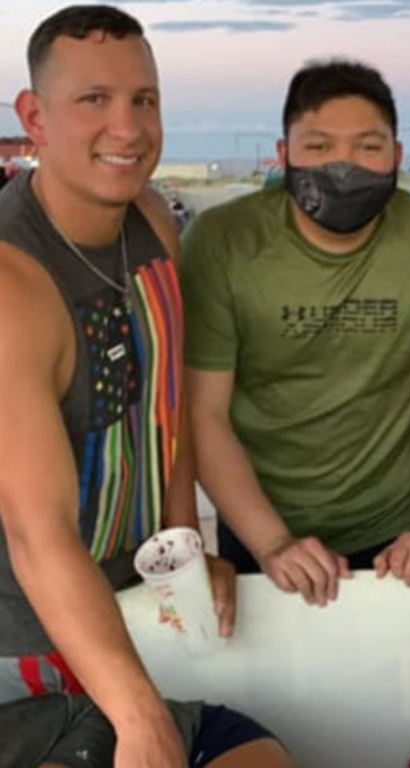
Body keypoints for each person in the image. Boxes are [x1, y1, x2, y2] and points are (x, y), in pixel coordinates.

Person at [0, 5, 291, 768]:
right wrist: (137, 716)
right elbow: (36, 534)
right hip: (32, 644)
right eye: (93, 100)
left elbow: (164, 407)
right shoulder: (13, 282)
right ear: (34, 115)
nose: (128, 127)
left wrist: (186, 554)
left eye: (145, 100)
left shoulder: (153, 222)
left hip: (141, 596)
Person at [181, 59, 410, 606]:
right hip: (259, 524)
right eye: (318, 147)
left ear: (397, 156)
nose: (343, 166)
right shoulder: (221, 242)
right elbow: (205, 413)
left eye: (368, 147)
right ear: (283, 155)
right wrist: (272, 542)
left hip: (396, 527)